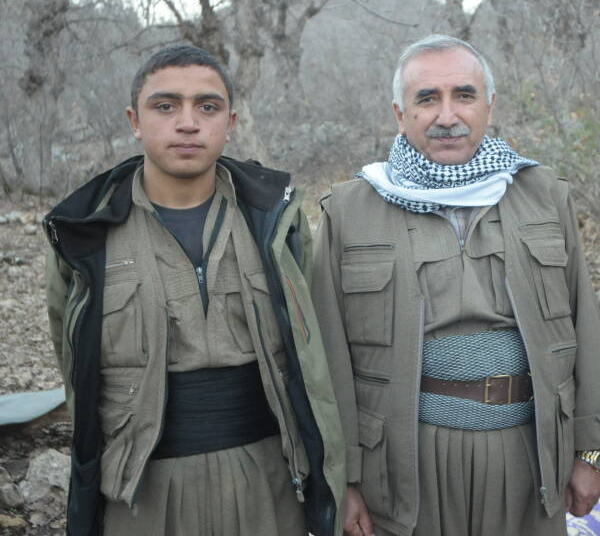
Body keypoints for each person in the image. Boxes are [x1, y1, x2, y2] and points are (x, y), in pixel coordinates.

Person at [44, 45, 345, 536]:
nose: (188, 123)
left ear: (230, 122)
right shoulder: (84, 235)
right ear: (134, 120)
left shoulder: (275, 221)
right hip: (140, 493)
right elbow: (74, 365)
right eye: (165, 106)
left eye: (207, 106)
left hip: (269, 485)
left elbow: (311, 360)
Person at [311, 34, 600, 536]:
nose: (447, 116)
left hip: (531, 457)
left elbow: (585, 328)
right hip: (402, 467)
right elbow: (327, 358)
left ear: (489, 105)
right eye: (427, 99)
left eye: (464, 95)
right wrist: (345, 479)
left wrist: (590, 450)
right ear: (400, 114)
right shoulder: (350, 209)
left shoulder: (542, 194)